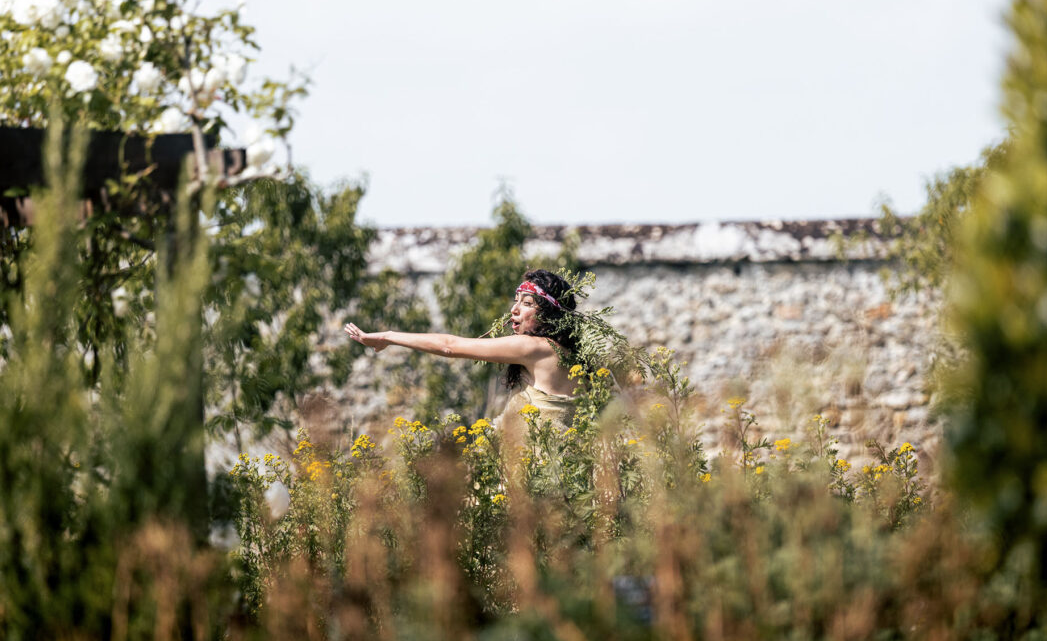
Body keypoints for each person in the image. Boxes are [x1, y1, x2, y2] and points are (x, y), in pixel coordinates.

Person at [344, 269, 579, 439]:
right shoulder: (573, 356)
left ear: (549, 313)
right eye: (516, 300)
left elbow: (449, 346)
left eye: (527, 303)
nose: (513, 310)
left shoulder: (535, 347)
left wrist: (387, 337)